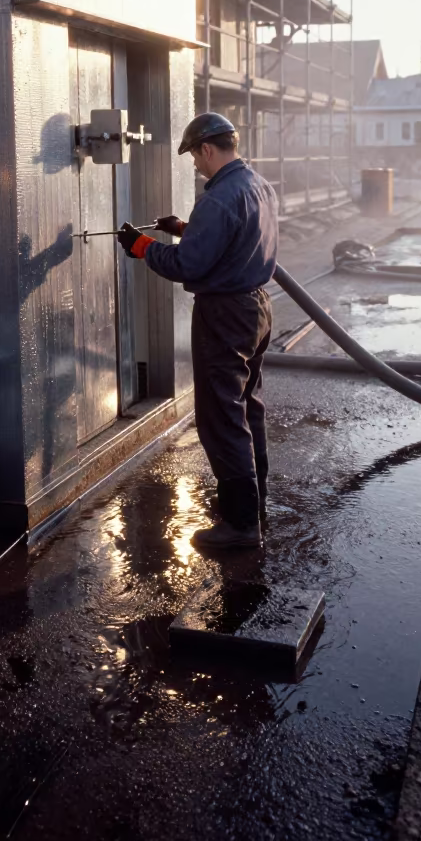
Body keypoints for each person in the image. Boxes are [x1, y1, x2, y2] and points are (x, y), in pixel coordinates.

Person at [116, 112, 279, 550]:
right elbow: (232, 240)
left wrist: (142, 247)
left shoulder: (219, 198)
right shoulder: (258, 186)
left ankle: (241, 525)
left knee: (222, 417)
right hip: (257, 308)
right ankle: (254, 503)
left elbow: (189, 264)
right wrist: (184, 230)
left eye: (194, 157)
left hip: (224, 315)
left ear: (208, 149)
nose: (195, 165)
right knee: (247, 407)